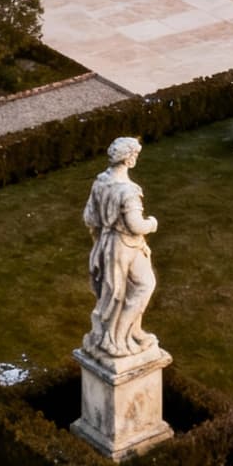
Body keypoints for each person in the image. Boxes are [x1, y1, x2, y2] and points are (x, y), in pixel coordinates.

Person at [82, 136, 159, 358]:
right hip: (126, 245)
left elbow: (89, 216)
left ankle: (132, 331)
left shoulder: (100, 182)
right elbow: (136, 225)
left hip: (109, 243)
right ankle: (117, 338)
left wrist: (104, 229)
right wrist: (152, 224)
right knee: (138, 287)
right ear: (128, 158)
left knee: (123, 290)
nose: (135, 158)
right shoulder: (128, 191)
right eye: (134, 154)